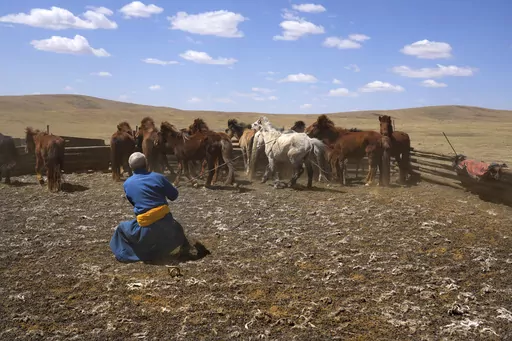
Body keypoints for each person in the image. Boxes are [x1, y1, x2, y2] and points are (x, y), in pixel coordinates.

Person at [109, 152, 197, 263]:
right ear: (146, 163)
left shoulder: (127, 183)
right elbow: (174, 196)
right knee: (177, 228)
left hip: (145, 228)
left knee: (121, 228)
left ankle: (126, 254)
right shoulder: (159, 177)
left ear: (130, 167)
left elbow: (134, 203)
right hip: (166, 224)